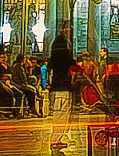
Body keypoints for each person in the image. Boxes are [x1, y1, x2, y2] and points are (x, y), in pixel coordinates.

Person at [48, 19, 75, 152]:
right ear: (62, 29)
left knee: (64, 114)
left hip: (63, 84)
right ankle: (55, 139)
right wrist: (75, 66)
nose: (70, 31)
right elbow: (63, 61)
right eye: (69, 28)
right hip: (61, 85)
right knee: (60, 113)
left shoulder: (62, 43)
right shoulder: (60, 43)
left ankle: (58, 138)